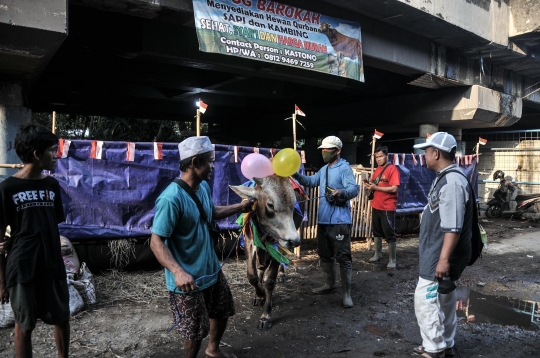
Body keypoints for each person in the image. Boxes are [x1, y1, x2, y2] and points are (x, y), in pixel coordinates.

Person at [150, 136, 251, 358]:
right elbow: (156, 242)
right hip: (188, 279)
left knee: (222, 309)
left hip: (211, 269)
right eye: (210, 161)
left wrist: (242, 206)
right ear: (195, 162)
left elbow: (211, 212)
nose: (214, 166)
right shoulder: (171, 199)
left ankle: (213, 349)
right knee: (195, 330)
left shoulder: (202, 187)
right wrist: (178, 272)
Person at [0, 123, 70, 357]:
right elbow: (0, 238)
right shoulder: (8, 188)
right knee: (24, 325)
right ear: (37, 154)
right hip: (22, 266)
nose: (55, 156)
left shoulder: (52, 185)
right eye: (51, 150)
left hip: (51, 263)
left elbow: (53, 225)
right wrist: (1, 281)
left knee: (61, 317)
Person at [411, 132, 473, 358]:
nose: (424, 155)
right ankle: (444, 344)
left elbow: (453, 227)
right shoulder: (446, 176)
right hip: (438, 251)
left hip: (440, 253)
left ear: (436, 153)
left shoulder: (452, 182)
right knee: (444, 297)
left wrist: (443, 259)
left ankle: (434, 348)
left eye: (426, 151)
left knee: (425, 300)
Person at [293, 135, 359, 308]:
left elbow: (354, 188)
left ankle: (346, 293)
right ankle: (329, 284)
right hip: (323, 220)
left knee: (343, 257)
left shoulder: (344, 168)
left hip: (340, 220)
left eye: (327, 150)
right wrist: (295, 174)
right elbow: (311, 181)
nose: (324, 152)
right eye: (322, 149)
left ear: (337, 151)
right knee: (324, 254)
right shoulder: (324, 169)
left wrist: (341, 192)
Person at [363, 146, 400, 268]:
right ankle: (377, 254)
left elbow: (394, 188)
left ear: (386, 156)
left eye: (380, 156)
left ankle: (392, 260)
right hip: (376, 205)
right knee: (377, 231)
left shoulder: (393, 170)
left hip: (387, 206)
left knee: (389, 233)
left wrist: (376, 188)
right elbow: (374, 183)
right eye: (376, 157)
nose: (378, 159)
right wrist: (368, 185)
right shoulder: (377, 170)